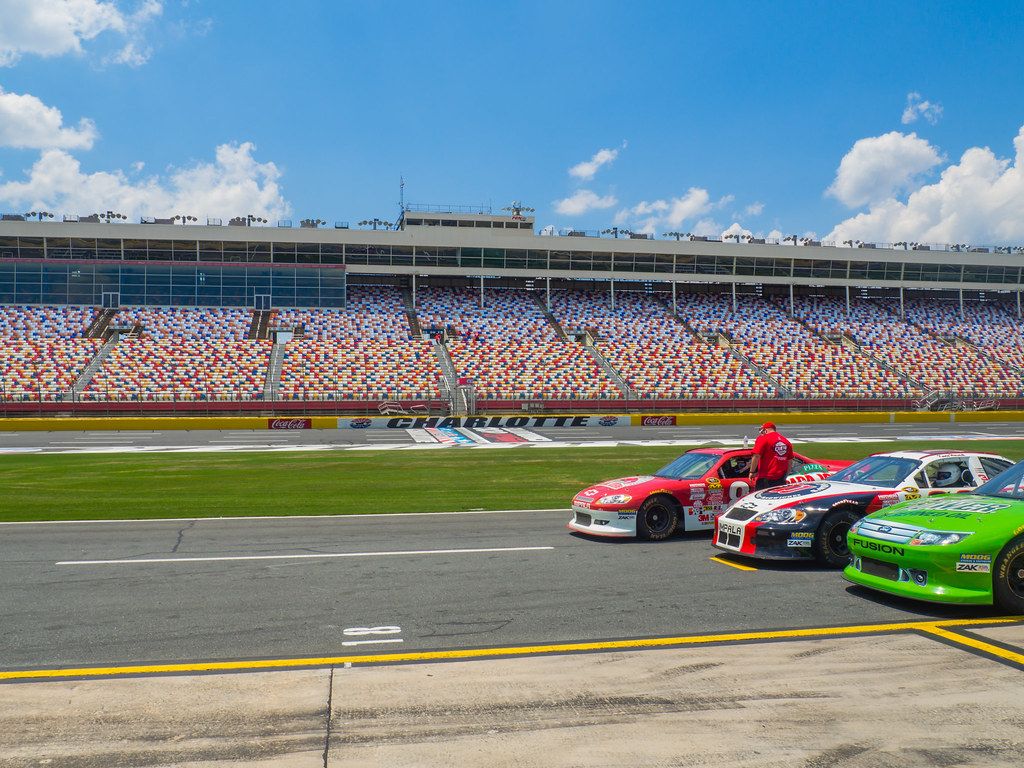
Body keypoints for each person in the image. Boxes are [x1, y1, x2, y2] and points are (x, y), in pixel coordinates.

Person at [749, 421, 793, 491]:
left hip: (766, 479)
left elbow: (756, 456)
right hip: (781, 479)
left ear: (765, 430)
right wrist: (785, 476)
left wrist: (752, 472)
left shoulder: (763, 438)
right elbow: (790, 462)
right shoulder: (786, 441)